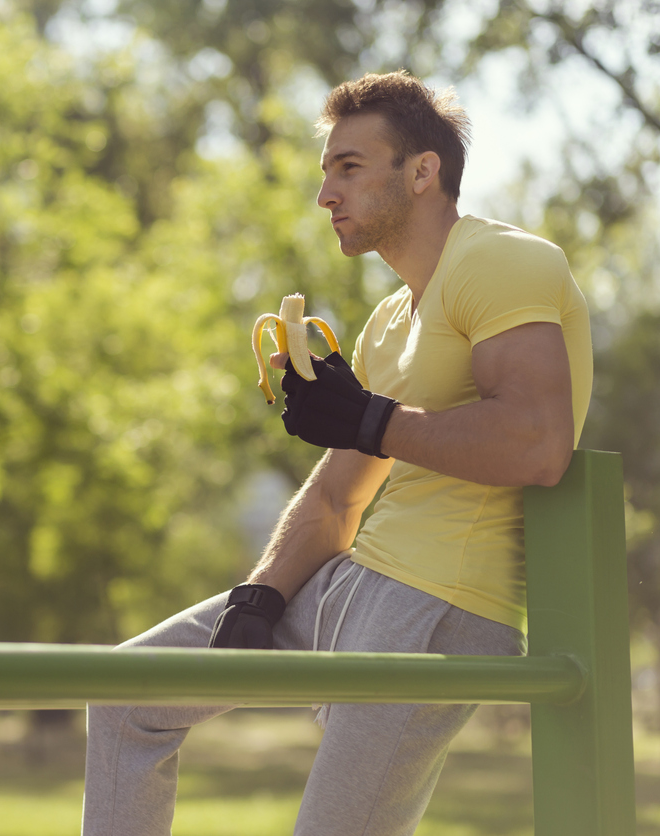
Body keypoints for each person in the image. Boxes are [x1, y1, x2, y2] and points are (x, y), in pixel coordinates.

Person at [81, 70, 593, 836]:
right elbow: (335, 499)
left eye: (349, 168)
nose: (326, 194)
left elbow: (538, 442)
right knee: (126, 697)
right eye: (325, 172)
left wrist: (370, 418)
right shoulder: (389, 321)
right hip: (349, 584)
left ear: (422, 172)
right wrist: (260, 597)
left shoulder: (502, 262)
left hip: (438, 604)